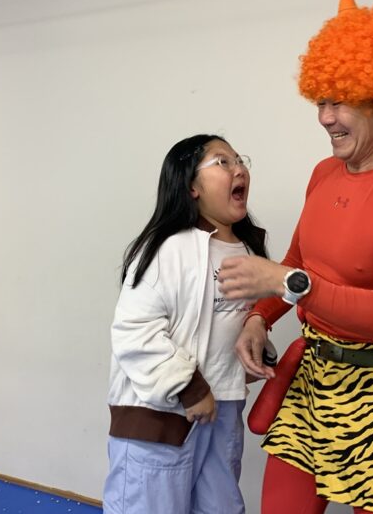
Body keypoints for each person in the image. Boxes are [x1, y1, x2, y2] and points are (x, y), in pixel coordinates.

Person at [217, 0, 373, 514]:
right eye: (321, 101)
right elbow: (298, 264)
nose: (324, 117)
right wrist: (259, 318)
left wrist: (287, 285)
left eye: (339, 101)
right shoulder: (324, 173)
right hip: (311, 381)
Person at [103, 134, 267, 514]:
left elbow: (236, 320)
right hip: (162, 417)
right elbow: (135, 331)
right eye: (222, 162)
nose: (239, 168)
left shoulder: (250, 252)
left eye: (239, 160)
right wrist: (190, 389)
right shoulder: (166, 249)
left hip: (223, 411)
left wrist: (257, 343)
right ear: (192, 186)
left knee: (220, 507)